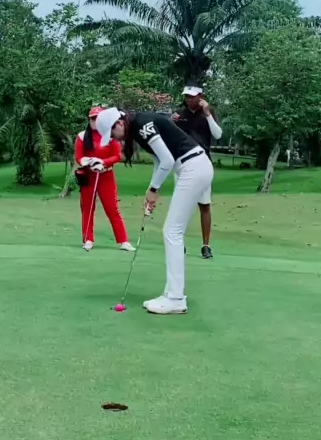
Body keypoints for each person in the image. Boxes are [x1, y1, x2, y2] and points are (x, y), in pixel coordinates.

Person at [95, 107, 213, 314]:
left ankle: (175, 298)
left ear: (119, 123)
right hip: (193, 167)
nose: (114, 139)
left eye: (112, 134)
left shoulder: (142, 125)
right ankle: (171, 293)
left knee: (172, 231)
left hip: (193, 167)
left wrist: (153, 189)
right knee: (172, 231)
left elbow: (167, 160)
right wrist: (151, 190)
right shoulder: (138, 126)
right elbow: (160, 161)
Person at [172, 84, 222, 259]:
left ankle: (206, 246)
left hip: (203, 164)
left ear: (200, 97)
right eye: (186, 96)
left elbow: (218, 135)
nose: (189, 99)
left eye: (192, 96)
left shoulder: (208, 112)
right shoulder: (179, 114)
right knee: (181, 206)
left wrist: (207, 114)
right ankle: (179, 243)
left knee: (204, 205)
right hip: (182, 164)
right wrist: (171, 122)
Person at [74, 106, 134, 252]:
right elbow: (78, 157)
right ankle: (88, 239)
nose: (94, 121)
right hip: (89, 176)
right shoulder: (82, 136)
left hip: (106, 176)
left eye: (96, 118)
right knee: (87, 208)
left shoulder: (110, 135)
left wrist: (103, 162)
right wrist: (88, 162)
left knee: (112, 209)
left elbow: (117, 156)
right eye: (92, 119)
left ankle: (123, 241)